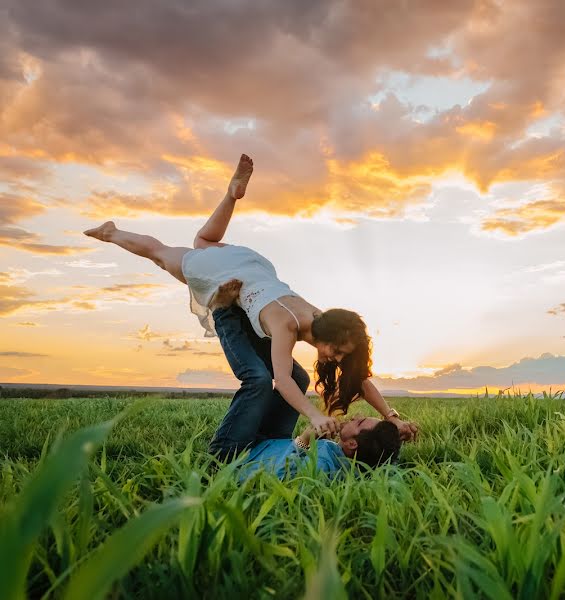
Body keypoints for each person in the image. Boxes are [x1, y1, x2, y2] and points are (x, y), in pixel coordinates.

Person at [84, 154, 418, 457]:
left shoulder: (320, 319)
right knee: (162, 255)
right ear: (326, 336)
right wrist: (314, 415)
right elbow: (281, 382)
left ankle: (231, 195)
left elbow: (357, 378)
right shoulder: (288, 325)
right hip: (226, 279)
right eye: (339, 351)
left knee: (204, 242)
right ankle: (111, 233)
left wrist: (390, 417)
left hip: (253, 272)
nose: (338, 359)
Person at [236, 416, 401, 483]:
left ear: (352, 444)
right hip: (270, 443)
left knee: (259, 382)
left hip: (250, 455)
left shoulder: (322, 464)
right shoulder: (347, 461)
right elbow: (388, 462)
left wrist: (304, 441)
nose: (355, 417)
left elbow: (279, 478)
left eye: (359, 422)